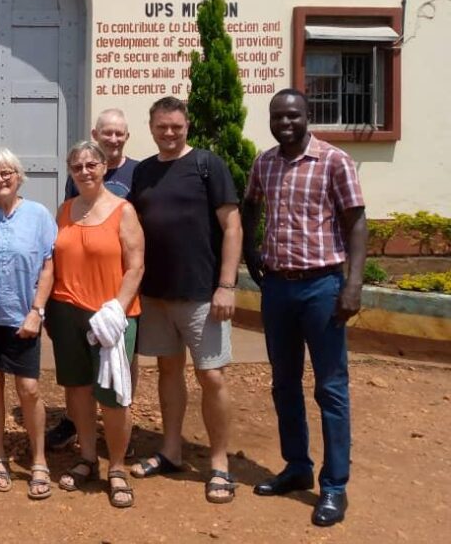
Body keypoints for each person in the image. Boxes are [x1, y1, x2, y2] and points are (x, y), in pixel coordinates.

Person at [242, 89, 366, 527]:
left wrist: (353, 284)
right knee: (284, 383)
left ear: (307, 116)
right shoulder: (265, 163)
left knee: (330, 387)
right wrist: (252, 253)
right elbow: (250, 205)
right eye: (278, 116)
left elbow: (356, 222)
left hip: (322, 288)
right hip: (278, 289)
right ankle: (297, 466)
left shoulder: (334, 161)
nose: (286, 123)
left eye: (293, 115)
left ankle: (334, 486)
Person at [127, 97, 241, 505]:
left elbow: (232, 227)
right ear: (151, 128)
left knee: (211, 376)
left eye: (176, 126)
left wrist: (226, 285)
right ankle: (171, 450)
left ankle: (219, 463)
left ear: (187, 125)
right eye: (162, 127)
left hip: (201, 294)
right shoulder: (143, 171)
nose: (169, 133)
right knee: (168, 370)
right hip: (156, 294)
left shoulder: (208, 165)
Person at [45, 140, 145, 508]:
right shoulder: (65, 210)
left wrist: (117, 308)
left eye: (91, 165)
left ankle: (116, 467)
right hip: (67, 311)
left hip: (111, 317)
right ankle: (87, 457)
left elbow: (136, 266)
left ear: (104, 168)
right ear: (70, 172)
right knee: (78, 390)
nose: (84, 172)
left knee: (113, 394)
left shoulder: (124, 211)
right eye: (77, 166)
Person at [0, 147, 57, 500]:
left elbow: (48, 266)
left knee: (28, 388)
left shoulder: (38, 214)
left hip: (23, 317)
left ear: (19, 176)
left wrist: (37, 311)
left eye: (6, 173)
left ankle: (39, 458)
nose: (0, 179)